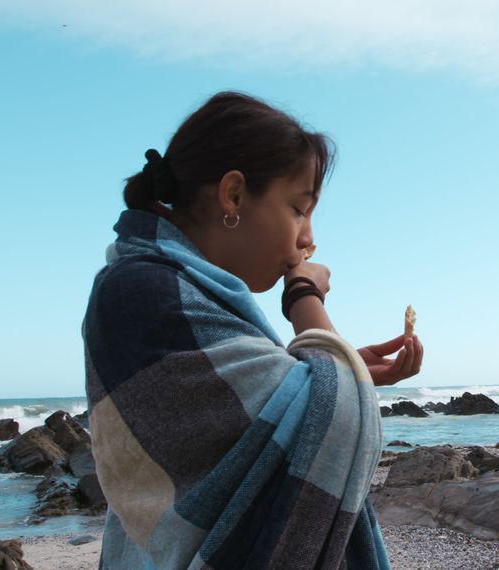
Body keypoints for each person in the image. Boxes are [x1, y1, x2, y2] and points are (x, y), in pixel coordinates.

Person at [83, 92, 423, 569]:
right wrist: (303, 295)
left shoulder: (176, 290)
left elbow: (293, 411)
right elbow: (339, 416)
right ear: (234, 195)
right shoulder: (142, 292)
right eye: (298, 209)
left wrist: (336, 369)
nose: (309, 238)